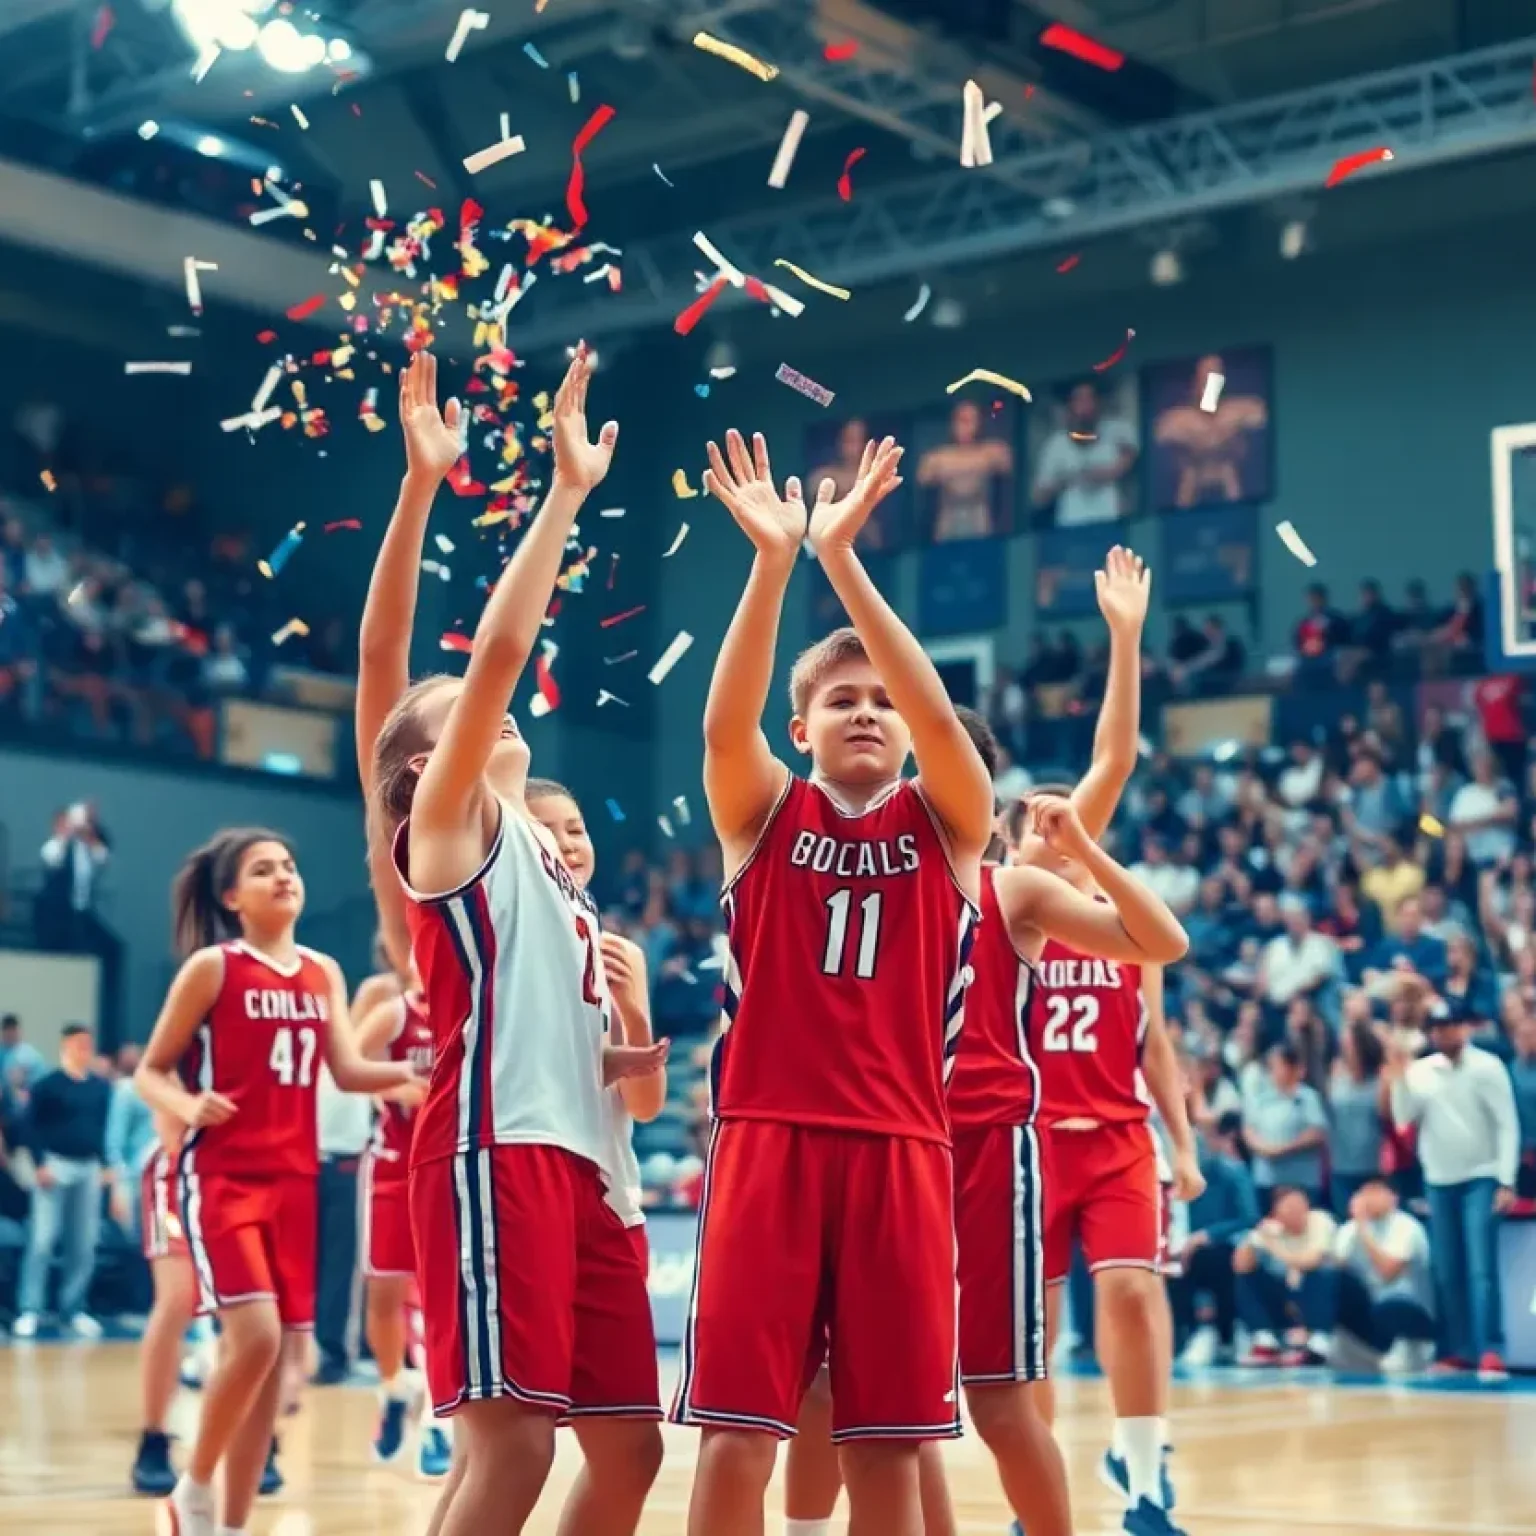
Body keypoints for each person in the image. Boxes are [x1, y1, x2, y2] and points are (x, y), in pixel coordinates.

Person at [374, 346, 668, 1536]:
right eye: (457, 710)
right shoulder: (441, 831)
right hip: (494, 1150)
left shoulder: (555, 868)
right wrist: (561, 493)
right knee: (512, 1455)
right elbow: (488, 656)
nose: (487, 705)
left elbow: (622, 1086)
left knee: (635, 1454)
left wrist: (641, 1026)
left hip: (586, 1168)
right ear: (417, 765)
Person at [677, 427, 992, 1536]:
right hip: (767, 1134)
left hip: (904, 1147)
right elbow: (722, 725)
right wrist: (773, 567)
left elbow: (946, 723)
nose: (868, 710)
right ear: (800, 727)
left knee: (888, 1447)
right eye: (841, 698)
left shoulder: (948, 822)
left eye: (883, 700)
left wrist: (846, 559)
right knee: (734, 1435)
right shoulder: (764, 812)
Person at [133, 828, 421, 1536]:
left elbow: (348, 1070)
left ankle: (228, 1524)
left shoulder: (323, 970)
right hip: (224, 1177)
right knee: (256, 1339)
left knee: (268, 1367)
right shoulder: (214, 967)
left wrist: (421, 1073)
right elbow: (150, 1069)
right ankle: (191, 1487)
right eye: (263, 871)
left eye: (289, 865)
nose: (284, 876)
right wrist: (184, 1104)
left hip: (295, 1182)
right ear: (233, 898)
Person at [1387, 1004, 1520, 1380]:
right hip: (1438, 1180)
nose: (1443, 1034)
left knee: (1481, 1270)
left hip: (1481, 1177)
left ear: (1465, 1028)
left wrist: (1506, 1180)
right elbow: (1402, 1119)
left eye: (1451, 1026)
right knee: (1446, 1270)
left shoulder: (1488, 1067)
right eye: (1437, 1028)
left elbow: (1507, 1125)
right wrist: (1398, 1077)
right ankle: (1456, 1350)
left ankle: (1490, 1350)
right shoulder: (1420, 1070)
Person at [354, 971, 452, 1476]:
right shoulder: (397, 1011)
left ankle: (439, 1418)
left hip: (448, 1166)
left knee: (443, 1299)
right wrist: (393, 1083)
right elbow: (346, 1063)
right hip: (393, 1167)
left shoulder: (472, 1008)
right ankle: (393, 1389)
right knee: (385, 1298)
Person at [12, 1021, 115, 1340]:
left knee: (83, 1243)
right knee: (42, 1240)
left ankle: (73, 1308)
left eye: (88, 1044)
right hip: (55, 1166)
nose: (84, 1050)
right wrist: (40, 1163)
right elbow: (27, 1126)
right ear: (66, 1046)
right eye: (78, 1044)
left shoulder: (100, 1088)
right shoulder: (47, 1085)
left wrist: (106, 1164)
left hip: (87, 1168)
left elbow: (102, 1129)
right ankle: (30, 1309)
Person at [129, 1108, 197, 1495]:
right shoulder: (185, 1045)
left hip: (249, 1169)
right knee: (177, 1298)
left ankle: (257, 1439)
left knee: (253, 1309)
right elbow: (153, 1079)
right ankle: (153, 1439)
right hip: (178, 1168)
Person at [1332, 1179, 1436, 1373]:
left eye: (1376, 1192)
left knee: (1392, 1304)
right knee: (1332, 1284)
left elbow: (1388, 1272)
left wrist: (1363, 1228)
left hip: (1409, 1315)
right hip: (1369, 1316)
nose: (1368, 1199)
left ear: (1393, 1198)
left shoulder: (1407, 1227)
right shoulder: (1348, 1230)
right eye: (1364, 1193)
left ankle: (1405, 1353)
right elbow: (1336, 1273)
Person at [1232, 1187, 1337, 1364]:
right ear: (1276, 1212)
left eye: (1300, 1206)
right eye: (1288, 1207)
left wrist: (1273, 1247)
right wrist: (1252, 1238)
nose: (1296, 1212)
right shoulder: (1271, 1230)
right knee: (1246, 1278)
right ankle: (1264, 1339)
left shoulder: (1321, 1220)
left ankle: (1318, 1340)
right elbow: (1239, 1266)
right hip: (1283, 1296)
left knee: (1323, 1273)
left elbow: (1311, 1260)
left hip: (1316, 1296)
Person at [1030, 379, 1138, 528]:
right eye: (1080, 400)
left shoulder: (1116, 431)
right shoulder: (1056, 445)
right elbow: (1039, 496)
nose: (1086, 406)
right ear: (1070, 406)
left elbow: (1131, 461)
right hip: (1071, 527)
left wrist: (1103, 473)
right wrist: (1066, 479)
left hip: (1112, 523)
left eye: (1090, 399)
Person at [1241, 1044, 1329, 1210]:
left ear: (1291, 1067)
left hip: (1300, 1181)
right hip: (1267, 1180)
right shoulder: (1262, 1097)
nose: (1272, 1072)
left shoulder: (1307, 1097)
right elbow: (1249, 1129)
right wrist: (1263, 1147)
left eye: (1276, 1066)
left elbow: (1317, 1132)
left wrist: (1283, 1149)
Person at [916, 398, 1014, 541]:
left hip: (979, 516)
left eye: (971, 421)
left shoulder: (991, 450)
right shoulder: (938, 457)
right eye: (961, 420)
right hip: (949, 518)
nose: (965, 427)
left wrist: (958, 468)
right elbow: (923, 476)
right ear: (952, 423)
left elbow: (1005, 462)